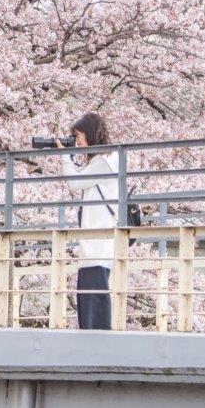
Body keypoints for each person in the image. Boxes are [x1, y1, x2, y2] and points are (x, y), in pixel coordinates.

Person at [57, 112, 118, 330]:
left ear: (90, 133)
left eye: (79, 135)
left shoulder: (104, 161)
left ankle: (96, 337)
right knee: (88, 290)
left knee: (94, 292)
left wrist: (65, 157)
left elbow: (75, 183)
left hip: (97, 239)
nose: (77, 141)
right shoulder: (103, 160)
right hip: (94, 238)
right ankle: (92, 334)